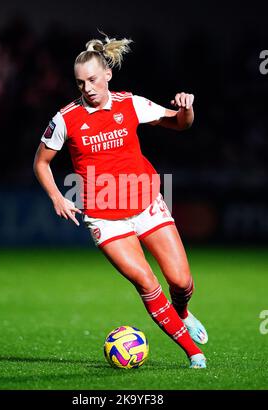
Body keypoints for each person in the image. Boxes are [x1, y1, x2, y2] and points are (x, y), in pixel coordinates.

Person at [33, 33, 208, 369]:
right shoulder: (66, 118)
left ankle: (182, 312)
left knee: (182, 282)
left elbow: (180, 124)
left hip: (147, 205)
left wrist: (187, 110)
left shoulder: (131, 103)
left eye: (93, 80)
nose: (87, 88)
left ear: (108, 75)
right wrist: (57, 196)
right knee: (147, 281)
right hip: (105, 218)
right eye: (80, 82)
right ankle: (194, 354)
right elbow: (41, 162)